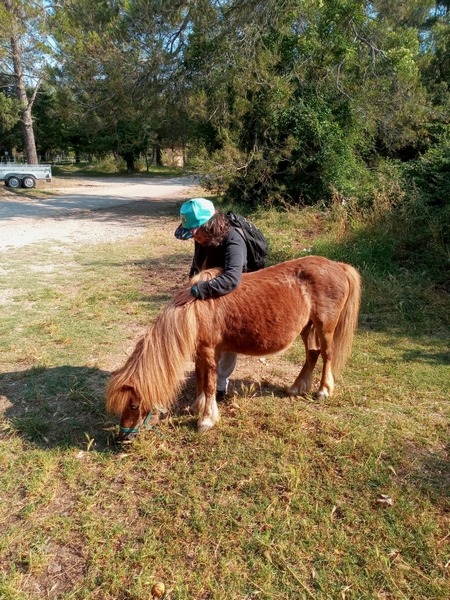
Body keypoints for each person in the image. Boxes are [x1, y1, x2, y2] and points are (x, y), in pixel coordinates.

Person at [174, 197, 248, 399]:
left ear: (210, 224)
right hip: (211, 287)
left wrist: (197, 291)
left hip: (236, 290)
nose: (193, 237)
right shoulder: (201, 237)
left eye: (196, 231)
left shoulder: (233, 239)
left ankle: (221, 383)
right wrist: (190, 285)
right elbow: (197, 266)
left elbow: (233, 279)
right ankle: (206, 372)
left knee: (228, 337)